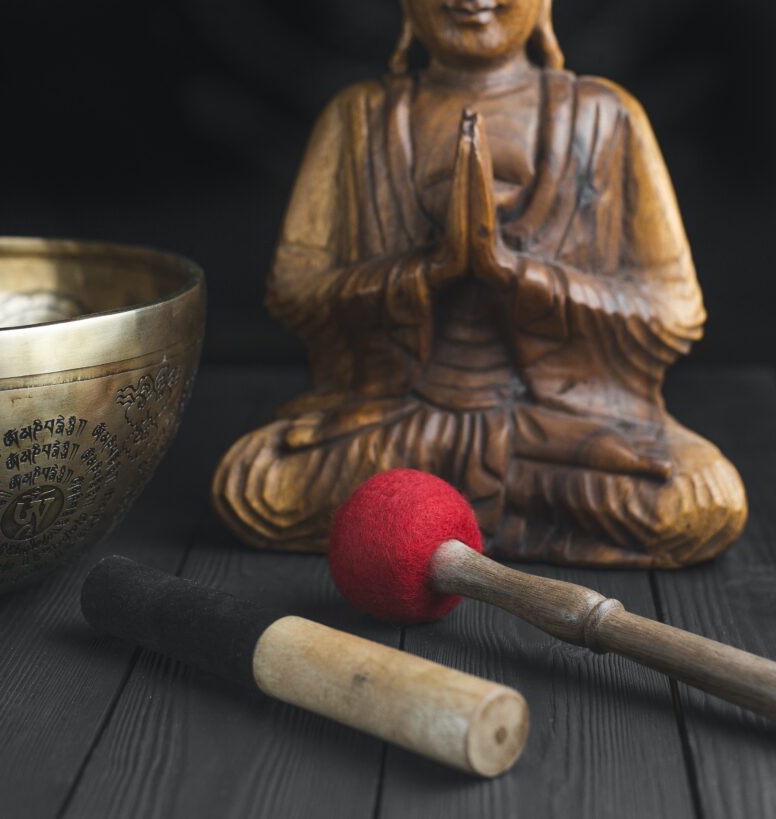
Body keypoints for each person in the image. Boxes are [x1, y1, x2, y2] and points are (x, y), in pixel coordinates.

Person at [212, 0, 746, 567]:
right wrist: (426, 271)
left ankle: (416, 520)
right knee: (254, 485)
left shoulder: (606, 116)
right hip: (402, 420)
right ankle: (468, 520)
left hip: (560, 430)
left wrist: (519, 275)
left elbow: (676, 309)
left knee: (700, 499)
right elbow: (295, 290)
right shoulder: (359, 117)